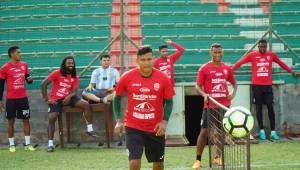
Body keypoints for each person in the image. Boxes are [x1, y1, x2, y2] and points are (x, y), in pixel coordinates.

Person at [113, 45, 175, 170]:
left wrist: (164, 121)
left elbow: (169, 102)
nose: (146, 63)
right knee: (134, 163)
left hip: (155, 128)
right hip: (133, 127)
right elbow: (116, 98)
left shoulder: (163, 78)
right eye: (143, 60)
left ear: (153, 59)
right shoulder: (127, 76)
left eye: (149, 59)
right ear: (137, 61)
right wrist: (118, 121)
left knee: (158, 165)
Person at [231, 39, 299, 140]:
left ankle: (273, 132)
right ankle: (261, 131)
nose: (262, 48)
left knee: (270, 107)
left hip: (267, 86)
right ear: (258, 47)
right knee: (258, 108)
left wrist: (291, 72)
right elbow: (240, 62)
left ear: (266, 47)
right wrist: (229, 70)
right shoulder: (252, 55)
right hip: (256, 86)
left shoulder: (271, 55)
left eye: (264, 47)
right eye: (260, 47)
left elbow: (281, 63)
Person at [192, 43, 237, 169]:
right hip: (210, 105)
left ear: (222, 53)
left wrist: (233, 93)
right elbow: (197, 86)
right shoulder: (204, 68)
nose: (217, 54)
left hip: (224, 106)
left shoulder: (227, 68)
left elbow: (234, 82)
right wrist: (204, 94)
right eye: (215, 52)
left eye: (219, 52)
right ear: (210, 53)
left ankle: (218, 157)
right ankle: (198, 160)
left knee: (222, 132)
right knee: (204, 132)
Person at [41, 56, 98, 152]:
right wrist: (46, 99)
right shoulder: (57, 73)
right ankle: (50, 144)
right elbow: (43, 84)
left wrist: (69, 96)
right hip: (56, 99)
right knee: (52, 117)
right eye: (69, 63)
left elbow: (75, 91)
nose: (71, 65)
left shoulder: (74, 76)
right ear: (64, 64)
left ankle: (89, 129)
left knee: (86, 105)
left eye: (72, 63)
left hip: (69, 97)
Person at [0, 46, 36, 152]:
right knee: (11, 121)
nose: (20, 54)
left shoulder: (24, 65)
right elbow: (1, 86)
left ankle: (27, 144)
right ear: (12, 54)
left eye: (20, 52)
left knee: (26, 120)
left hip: (23, 98)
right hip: (11, 99)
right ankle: (11, 144)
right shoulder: (4, 68)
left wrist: (30, 80)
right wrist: (0, 100)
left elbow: (28, 79)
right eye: (18, 52)